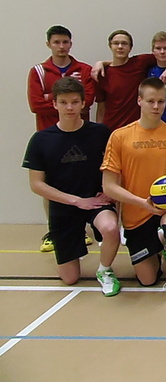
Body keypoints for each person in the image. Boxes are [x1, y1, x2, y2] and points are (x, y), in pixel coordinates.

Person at [23, 77, 120, 296]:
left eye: (75, 102)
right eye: (64, 102)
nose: (69, 107)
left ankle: (105, 270)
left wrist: (109, 191)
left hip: (96, 202)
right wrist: (76, 201)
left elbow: (116, 167)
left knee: (110, 228)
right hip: (64, 206)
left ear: (83, 103)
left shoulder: (101, 133)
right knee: (70, 278)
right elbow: (36, 184)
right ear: (54, 104)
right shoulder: (40, 140)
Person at [101, 78, 166, 307]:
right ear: (139, 100)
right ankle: (162, 242)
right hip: (137, 213)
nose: (156, 106)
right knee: (148, 279)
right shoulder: (120, 136)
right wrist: (142, 202)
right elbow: (109, 186)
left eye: (161, 101)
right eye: (151, 101)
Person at [27, 25, 96, 252]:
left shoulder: (83, 69)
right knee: (49, 184)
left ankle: (82, 229)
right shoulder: (38, 71)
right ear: (48, 44)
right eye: (56, 42)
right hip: (51, 137)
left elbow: (89, 99)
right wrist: (61, 104)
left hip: (79, 137)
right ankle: (53, 231)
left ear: (70, 43)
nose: (61, 46)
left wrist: (52, 97)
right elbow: (35, 104)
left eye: (65, 42)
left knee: (81, 182)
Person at [94, 29, 166, 131]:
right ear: (110, 46)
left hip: (137, 129)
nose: (120, 47)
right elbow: (101, 107)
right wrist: (99, 131)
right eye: (116, 43)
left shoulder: (140, 63)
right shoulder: (102, 73)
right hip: (112, 128)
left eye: (124, 43)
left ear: (130, 47)